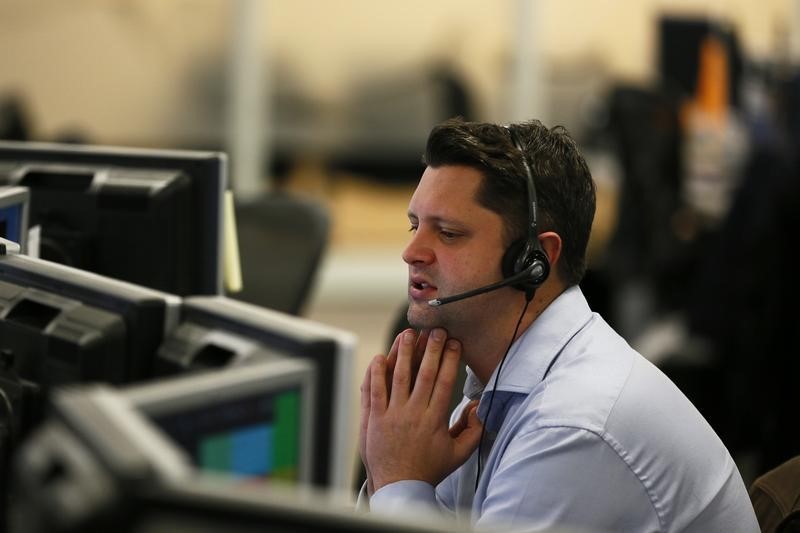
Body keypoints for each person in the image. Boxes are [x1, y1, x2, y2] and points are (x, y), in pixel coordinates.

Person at [357, 117, 759, 532]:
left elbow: (400, 492)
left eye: (449, 233)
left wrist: (398, 481)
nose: (412, 252)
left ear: (534, 260)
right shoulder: (496, 389)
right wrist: (400, 477)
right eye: (415, 225)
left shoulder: (571, 426)